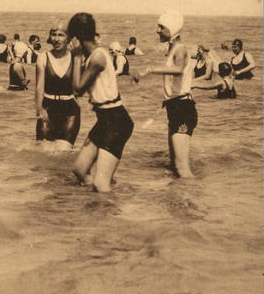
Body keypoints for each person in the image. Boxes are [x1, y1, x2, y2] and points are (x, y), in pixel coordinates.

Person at [69, 13, 134, 192]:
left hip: (116, 121)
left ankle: (109, 209)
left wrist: (75, 56)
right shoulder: (91, 56)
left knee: (100, 183)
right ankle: (99, 212)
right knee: (80, 170)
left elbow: (77, 90)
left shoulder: (97, 57)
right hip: (105, 121)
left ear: (76, 37)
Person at [133, 10, 196, 179]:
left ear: (173, 28)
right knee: (174, 167)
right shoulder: (173, 48)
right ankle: (178, 202)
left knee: (182, 168)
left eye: (161, 27)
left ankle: (199, 201)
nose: (157, 30)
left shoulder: (180, 49)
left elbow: (179, 69)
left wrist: (149, 69)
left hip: (183, 108)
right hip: (176, 107)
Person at [35, 20, 80, 148]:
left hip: (70, 111)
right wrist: (39, 110)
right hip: (48, 109)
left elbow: (79, 87)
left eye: (61, 35)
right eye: (53, 34)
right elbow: (39, 88)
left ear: (68, 38)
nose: (56, 39)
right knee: (43, 153)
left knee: (63, 151)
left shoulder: (76, 58)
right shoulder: (43, 57)